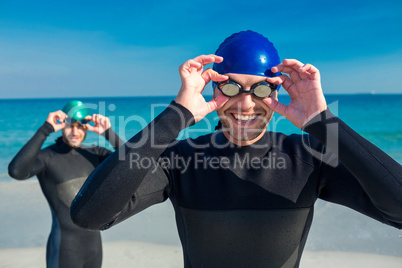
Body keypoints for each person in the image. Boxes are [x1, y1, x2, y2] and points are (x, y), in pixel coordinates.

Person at [70, 31, 402, 267]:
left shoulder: (308, 157)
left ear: (276, 92)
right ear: (213, 87)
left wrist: (323, 122)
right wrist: (176, 115)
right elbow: (90, 214)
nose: (246, 104)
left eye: (260, 89)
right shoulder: (181, 160)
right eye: (231, 87)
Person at [8, 100, 123, 268]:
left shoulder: (96, 154)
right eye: (70, 125)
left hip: (94, 248)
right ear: (61, 125)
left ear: (87, 126)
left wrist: (108, 133)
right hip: (64, 248)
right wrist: (45, 129)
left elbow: (132, 166)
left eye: (80, 126)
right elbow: (16, 171)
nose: (75, 132)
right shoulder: (48, 157)